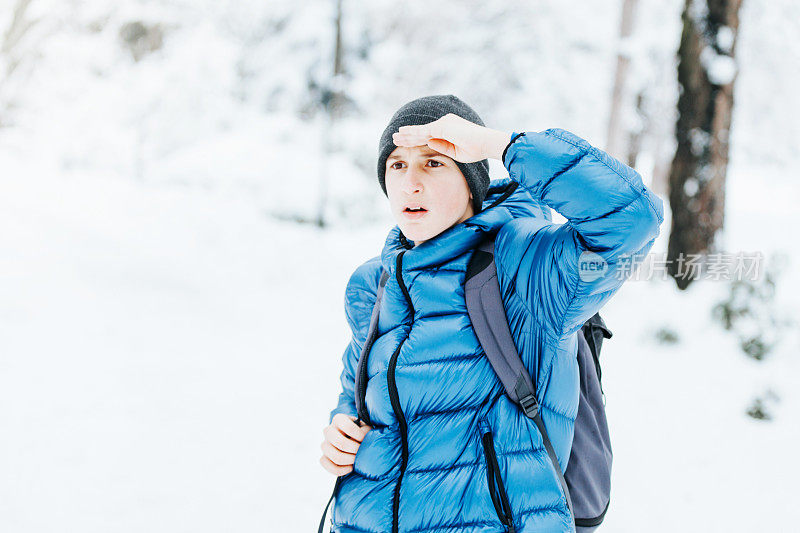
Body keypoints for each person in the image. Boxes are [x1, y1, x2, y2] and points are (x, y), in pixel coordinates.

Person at [319, 94, 664, 533]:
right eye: (397, 165)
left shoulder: (525, 268)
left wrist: (504, 146)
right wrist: (340, 431)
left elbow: (633, 221)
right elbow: (357, 397)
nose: (410, 184)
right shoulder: (374, 285)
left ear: (471, 178)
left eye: (433, 163)